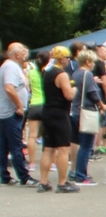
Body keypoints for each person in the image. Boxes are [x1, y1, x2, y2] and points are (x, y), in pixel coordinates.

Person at [38, 47, 79, 192]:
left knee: (48, 149)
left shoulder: (46, 72)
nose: (68, 60)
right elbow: (68, 95)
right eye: (67, 57)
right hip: (60, 113)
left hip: (47, 111)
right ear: (61, 59)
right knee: (63, 149)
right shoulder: (61, 74)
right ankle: (62, 183)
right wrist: (74, 90)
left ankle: (43, 182)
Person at [0, 43, 34, 186]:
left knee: (4, 145)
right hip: (11, 112)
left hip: (5, 112)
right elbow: (9, 88)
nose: (26, 53)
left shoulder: (9, 66)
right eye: (23, 51)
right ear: (16, 54)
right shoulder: (11, 67)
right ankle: (24, 177)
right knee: (16, 145)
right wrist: (19, 106)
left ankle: (4, 176)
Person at [70, 50, 102, 185]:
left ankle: (75, 171)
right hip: (86, 112)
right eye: (92, 62)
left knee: (78, 143)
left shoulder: (75, 73)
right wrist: (102, 105)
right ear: (88, 62)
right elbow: (93, 93)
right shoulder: (87, 74)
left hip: (74, 111)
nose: (93, 64)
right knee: (87, 145)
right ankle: (81, 175)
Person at [25, 49, 47, 166]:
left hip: (34, 104)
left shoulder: (30, 73)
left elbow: (26, 86)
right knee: (48, 134)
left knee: (32, 136)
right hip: (46, 105)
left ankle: (32, 163)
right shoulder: (49, 73)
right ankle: (50, 162)